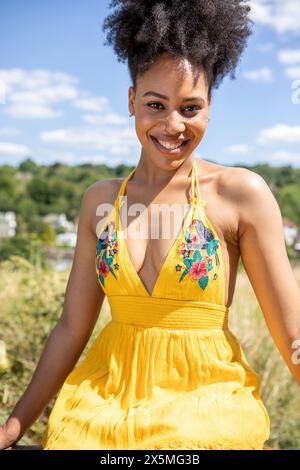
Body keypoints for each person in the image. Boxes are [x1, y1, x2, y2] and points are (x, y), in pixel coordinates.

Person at [1, 0, 300, 451]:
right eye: (156, 104)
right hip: (105, 398)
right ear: (130, 101)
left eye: (191, 107)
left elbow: (292, 336)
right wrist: (14, 425)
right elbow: (70, 327)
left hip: (205, 404)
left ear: (210, 106)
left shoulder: (241, 194)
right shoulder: (99, 201)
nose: (173, 124)